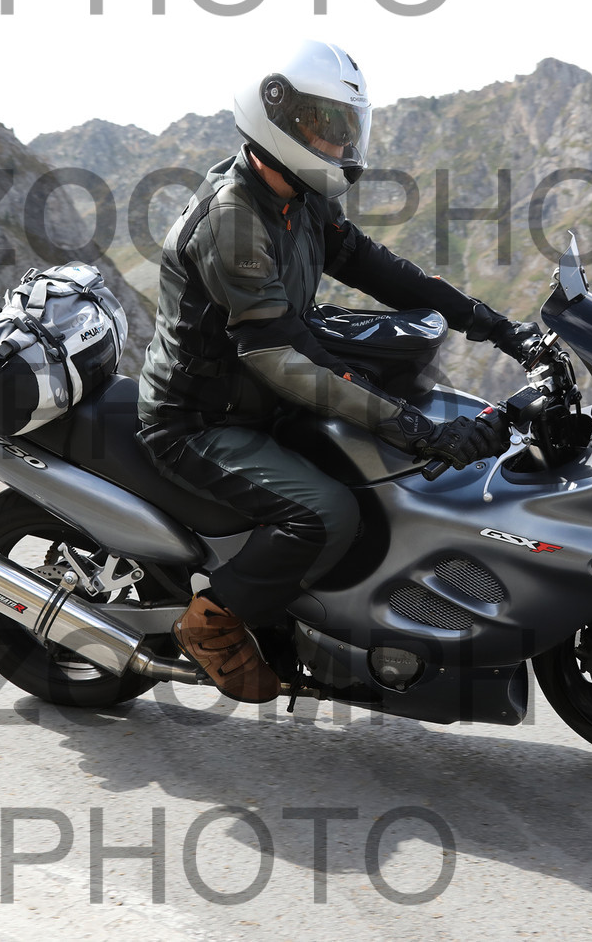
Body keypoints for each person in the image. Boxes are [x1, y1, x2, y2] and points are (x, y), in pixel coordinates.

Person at [136, 40, 538, 703]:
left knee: (384, 466)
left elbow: (378, 267)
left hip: (258, 398)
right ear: (277, 120)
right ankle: (213, 622)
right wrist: (419, 431)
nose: (340, 142)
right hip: (199, 421)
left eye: (346, 126)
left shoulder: (299, 197)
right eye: (324, 125)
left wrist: (496, 326)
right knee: (327, 513)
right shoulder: (234, 222)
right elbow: (280, 357)